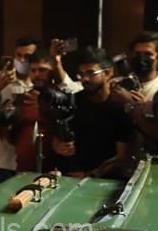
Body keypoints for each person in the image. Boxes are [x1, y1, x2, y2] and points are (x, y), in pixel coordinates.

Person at [50, 47, 134, 176]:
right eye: (81, 74)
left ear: (108, 73)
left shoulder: (119, 106)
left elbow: (121, 157)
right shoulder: (72, 102)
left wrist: (90, 175)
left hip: (107, 180)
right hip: (71, 176)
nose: (85, 79)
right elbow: (56, 139)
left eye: (90, 73)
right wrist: (59, 146)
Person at [0, 36, 39, 184]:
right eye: (19, 55)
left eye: (27, 56)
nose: (22, 60)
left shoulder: (41, 79)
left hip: (31, 158)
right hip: (2, 158)